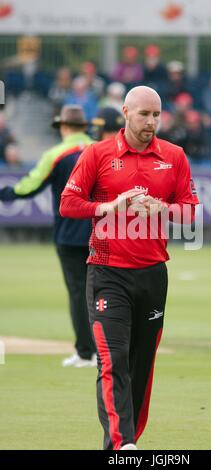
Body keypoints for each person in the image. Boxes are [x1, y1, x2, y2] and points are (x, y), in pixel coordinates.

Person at [60, 86, 199, 450]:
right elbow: (69, 203)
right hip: (107, 273)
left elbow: (192, 211)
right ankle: (122, 446)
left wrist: (164, 211)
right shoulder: (97, 153)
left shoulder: (175, 156)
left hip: (153, 275)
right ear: (125, 112)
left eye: (156, 114)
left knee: (141, 365)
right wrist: (107, 207)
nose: (151, 122)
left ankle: (128, 439)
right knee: (112, 359)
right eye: (144, 114)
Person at [0, 105, 97, 367]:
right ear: (85, 127)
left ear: (63, 127)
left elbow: (30, 186)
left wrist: (5, 193)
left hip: (68, 234)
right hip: (100, 233)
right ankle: (107, 351)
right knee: (103, 292)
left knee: (78, 293)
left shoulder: (55, 154)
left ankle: (86, 352)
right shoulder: (99, 150)